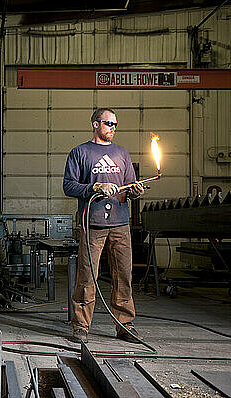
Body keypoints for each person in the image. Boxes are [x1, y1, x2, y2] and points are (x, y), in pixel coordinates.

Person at [63, 108, 144, 344]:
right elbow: (69, 186)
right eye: (109, 123)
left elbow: (129, 186)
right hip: (93, 223)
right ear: (95, 124)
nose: (113, 128)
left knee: (123, 275)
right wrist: (95, 187)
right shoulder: (80, 153)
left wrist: (134, 192)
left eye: (116, 124)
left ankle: (124, 325)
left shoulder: (122, 154)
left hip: (120, 224)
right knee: (87, 276)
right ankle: (81, 326)